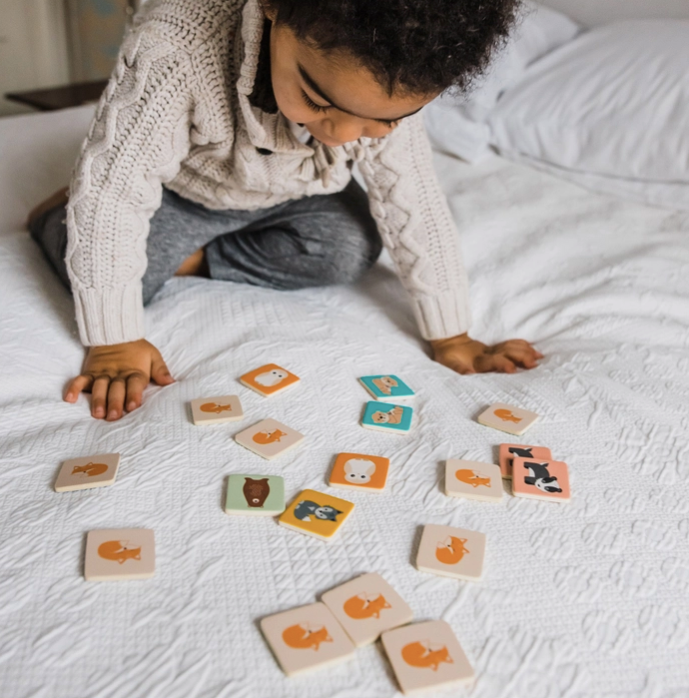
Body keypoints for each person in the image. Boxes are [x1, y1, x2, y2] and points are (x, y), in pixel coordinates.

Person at [28, 0, 541, 422]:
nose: (339, 134)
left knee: (351, 247)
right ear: (273, 9)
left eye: (380, 123)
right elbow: (117, 193)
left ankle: (190, 255)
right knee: (110, 276)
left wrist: (451, 334)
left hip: (288, 196)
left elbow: (414, 200)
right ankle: (60, 214)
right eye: (317, 99)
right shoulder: (177, 41)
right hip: (183, 191)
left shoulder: (391, 78)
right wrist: (115, 344)